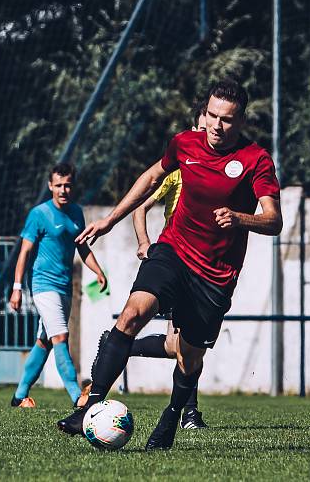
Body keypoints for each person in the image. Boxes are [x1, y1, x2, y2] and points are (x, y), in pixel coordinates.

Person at [57, 79, 282, 451]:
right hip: (172, 250)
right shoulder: (184, 143)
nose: (215, 125)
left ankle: (172, 418)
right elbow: (150, 178)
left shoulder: (256, 159)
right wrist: (111, 221)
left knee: (189, 356)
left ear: (240, 121)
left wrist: (242, 219)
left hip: (215, 274)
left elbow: (274, 220)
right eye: (210, 115)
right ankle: (92, 404)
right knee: (131, 314)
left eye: (226, 119)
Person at [123, 100, 209, 430]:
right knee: (188, 343)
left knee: (181, 345)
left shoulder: (221, 168)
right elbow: (140, 208)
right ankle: (189, 413)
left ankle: (123, 344)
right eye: (200, 128)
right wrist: (145, 243)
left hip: (206, 265)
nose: (206, 134)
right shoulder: (178, 169)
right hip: (178, 260)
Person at [9, 162, 107, 408]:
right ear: (50, 186)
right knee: (61, 335)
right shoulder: (39, 214)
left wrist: (98, 271)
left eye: (68, 185)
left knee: (45, 340)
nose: (63, 190)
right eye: (59, 185)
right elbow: (24, 253)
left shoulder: (76, 213)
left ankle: (19, 395)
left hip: (64, 287)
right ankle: (77, 397)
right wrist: (17, 287)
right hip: (43, 285)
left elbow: (82, 247)